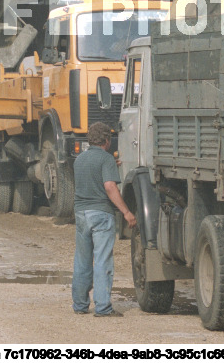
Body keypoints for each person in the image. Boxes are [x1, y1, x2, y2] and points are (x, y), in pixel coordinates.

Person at [72, 122, 137, 317]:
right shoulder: (106, 159)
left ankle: (80, 305)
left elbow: (93, 173)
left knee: (82, 261)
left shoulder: (79, 159)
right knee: (102, 261)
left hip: (81, 214)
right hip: (101, 215)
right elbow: (109, 187)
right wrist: (126, 212)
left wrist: (109, 165)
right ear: (107, 141)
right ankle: (102, 307)